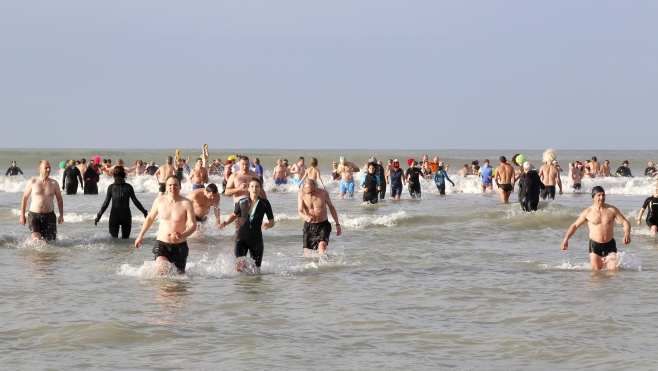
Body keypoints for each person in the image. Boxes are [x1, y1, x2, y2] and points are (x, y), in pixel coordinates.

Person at [135, 175, 197, 275]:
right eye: (170, 185)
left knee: (178, 280)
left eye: (176, 185)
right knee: (162, 272)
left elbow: (193, 225)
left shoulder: (186, 203)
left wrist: (182, 234)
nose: (173, 187)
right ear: (166, 187)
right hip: (162, 245)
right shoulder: (159, 201)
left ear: (180, 187)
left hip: (180, 247)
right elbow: (150, 218)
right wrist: (140, 235)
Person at [560, 186, 631, 270]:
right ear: (593, 197)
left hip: (610, 244)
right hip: (595, 245)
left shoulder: (612, 210)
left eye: (603, 195)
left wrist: (627, 234)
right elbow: (575, 225)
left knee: (614, 271)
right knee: (597, 272)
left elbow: (625, 222)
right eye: (599, 195)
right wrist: (565, 239)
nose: (602, 197)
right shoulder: (588, 212)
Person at [219, 178, 274, 272]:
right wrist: (226, 222)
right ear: (248, 188)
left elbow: (272, 221)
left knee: (256, 271)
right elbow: (234, 215)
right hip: (241, 239)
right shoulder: (242, 201)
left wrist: (268, 225)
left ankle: (252, 286)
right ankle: (242, 286)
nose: (254, 188)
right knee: (239, 267)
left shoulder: (265, 203)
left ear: (260, 189)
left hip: (256, 240)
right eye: (252, 186)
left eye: (257, 186)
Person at [95, 166, 148, 239]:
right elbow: (135, 201)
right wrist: (144, 211)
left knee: (114, 242)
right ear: (124, 174)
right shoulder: (129, 187)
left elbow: (106, 203)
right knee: (126, 241)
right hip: (126, 216)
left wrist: (99, 215)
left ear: (114, 175)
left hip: (114, 216)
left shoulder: (111, 187)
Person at [19, 160, 64, 242]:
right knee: (36, 239)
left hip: (50, 216)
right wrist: (22, 215)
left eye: (49, 168)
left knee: (50, 243)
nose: (48, 170)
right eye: (46, 168)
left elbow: (59, 199)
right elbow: (25, 198)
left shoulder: (54, 183)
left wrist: (61, 215)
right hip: (34, 216)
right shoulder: (33, 182)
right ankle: (36, 255)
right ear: (39, 169)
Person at [298, 179, 341, 257]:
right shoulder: (301, 194)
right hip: (309, 226)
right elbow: (300, 211)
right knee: (306, 252)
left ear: (316, 187)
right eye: (308, 192)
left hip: (323, 225)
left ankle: (325, 266)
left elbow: (331, 207)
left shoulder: (323, 193)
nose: (311, 194)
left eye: (312, 192)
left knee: (322, 246)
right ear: (304, 189)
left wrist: (337, 224)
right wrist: (306, 217)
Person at [224, 156, 268, 231]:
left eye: (247, 164)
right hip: (239, 206)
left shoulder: (254, 175)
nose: (245, 166)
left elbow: (261, 190)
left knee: (254, 230)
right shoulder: (234, 176)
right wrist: (238, 188)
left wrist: (265, 205)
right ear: (239, 165)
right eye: (243, 164)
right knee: (239, 230)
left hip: (254, 205)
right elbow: (227, 192)